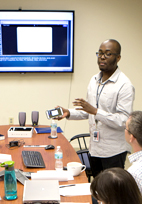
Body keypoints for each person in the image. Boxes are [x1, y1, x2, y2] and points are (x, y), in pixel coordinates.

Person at [56, 39, 134, 175]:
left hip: (113, 151)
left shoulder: (125, 85)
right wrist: (68, 113)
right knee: (97, 187)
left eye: (108, 54)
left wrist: (96, 111)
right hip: (94, 148)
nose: (102, 57)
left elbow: (123, 121)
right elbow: (88, 112)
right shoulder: (94, 80)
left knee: (111, 192)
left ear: (118, 57)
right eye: (100, 53)